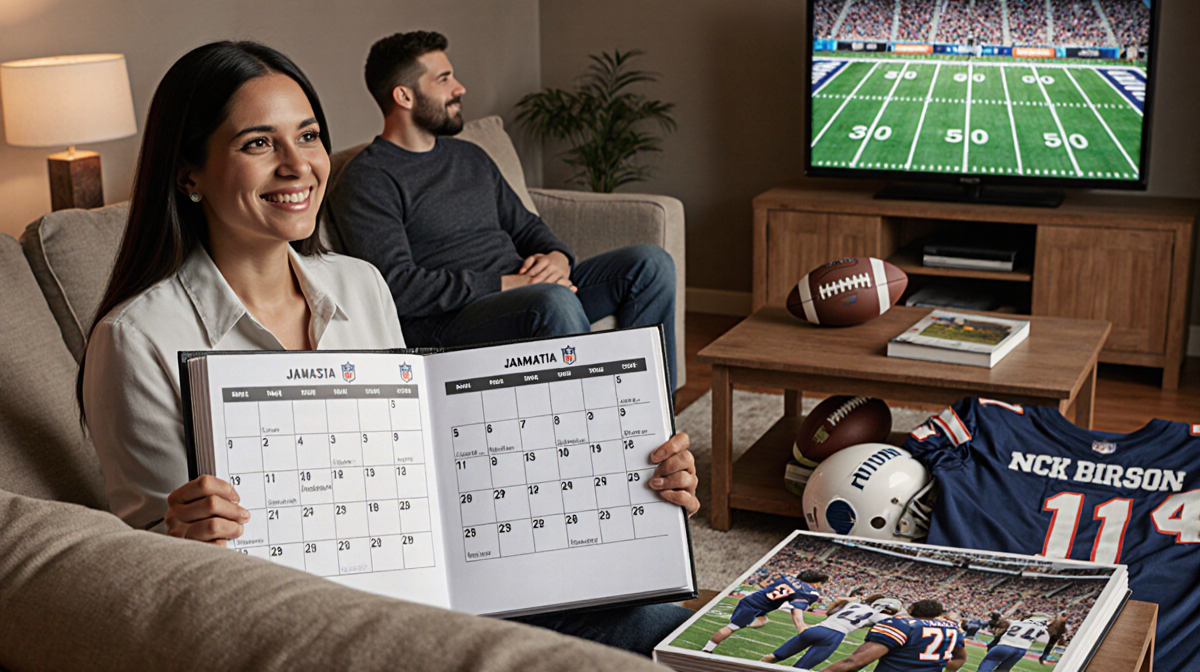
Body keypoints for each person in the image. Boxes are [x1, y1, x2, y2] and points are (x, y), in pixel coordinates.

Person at [79, 40, 698, 657]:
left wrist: (630, 480)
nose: (298, 166)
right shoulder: (137, 340)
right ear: (189, 173)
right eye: (259, 143)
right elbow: (148, 584)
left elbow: (427, 467)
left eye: (310, 135)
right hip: (314, 636)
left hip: (445, 595)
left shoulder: (360, 284)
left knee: (667, 626)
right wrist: (182, 541)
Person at [325, 31, 679, 391]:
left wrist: (557, 258)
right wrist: (507, 284)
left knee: (650, 265)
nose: (459, 88)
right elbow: (397, 286)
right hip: (451, 321)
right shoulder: (367, 179)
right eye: (444, 79)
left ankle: (654, 421)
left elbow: (526, 227)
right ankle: (587, 436)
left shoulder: (470, 156)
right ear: (404, 96)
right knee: (551, 302)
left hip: (527, 295)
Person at [700, 570, 828, 653]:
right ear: (816, 583)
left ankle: (750, 622)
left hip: (751, 600)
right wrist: (801, 627)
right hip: (752, 607)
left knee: (762, 619)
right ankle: (707, 649)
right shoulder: (806, 592)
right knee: (730, 628)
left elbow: (794, 578)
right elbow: (797, 611)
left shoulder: (788, 577)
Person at [822, 599, 967, 672]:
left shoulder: (900, 624)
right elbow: (960, 658)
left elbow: (854, 662)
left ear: (911, 609)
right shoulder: (952, 628)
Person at [759, 596, 902, 669]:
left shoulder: (855, 605)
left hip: (816, 628)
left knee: (775, 656)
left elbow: (839, 602)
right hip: (833, 636)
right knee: (800, 669)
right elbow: (897, 621)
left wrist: (829, 611)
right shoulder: (879, 615)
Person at [977, 614, 1051, 672]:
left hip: (1004, 645)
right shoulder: (1043, 629)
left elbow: (999, 633)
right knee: (1003, 670)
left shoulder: (1015, 622)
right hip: (1021, 650)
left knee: (987, 665)